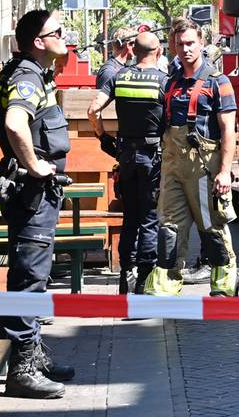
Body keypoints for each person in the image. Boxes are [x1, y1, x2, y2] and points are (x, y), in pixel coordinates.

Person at [0, 10, 76, 398]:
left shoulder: (32, 72)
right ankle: (21, 369)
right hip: (32, 192)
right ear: (38, 41)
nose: (65, 36)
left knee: (33, 275)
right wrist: (35, 165)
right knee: (29, 277)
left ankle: (33, 355)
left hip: (36, 193)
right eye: (57, 32)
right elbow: (14, 123)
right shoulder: (26, 75)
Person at [157, 20, 239, 296]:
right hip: (173, 166)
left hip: (204, 167)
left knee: (211, 225)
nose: (185, 49)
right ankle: (167, 284)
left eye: (190, 43)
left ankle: (224, 282)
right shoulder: (171, 82)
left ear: (201, 43)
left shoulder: (219, 82)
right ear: (173, 46)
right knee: (170, 225)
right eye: (180, 44)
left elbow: (229, 129)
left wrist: (225, 171)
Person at [87, 31, 166, 294]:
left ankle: (125, 277)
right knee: (149, 219)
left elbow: (92, 109)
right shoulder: (163, 81)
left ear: (133, 51)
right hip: (152, 157)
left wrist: (103, 137)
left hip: (126, 155)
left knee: (130, 217)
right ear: (159, 52)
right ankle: (145, 279)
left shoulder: (119, 77)